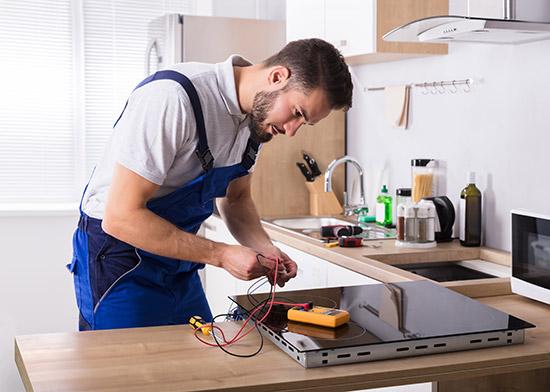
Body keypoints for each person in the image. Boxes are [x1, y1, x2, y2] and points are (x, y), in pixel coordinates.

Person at [67, 38, 353, 331]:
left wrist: (266, 250)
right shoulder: (173, 97)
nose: (292, 131)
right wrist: (221, 254)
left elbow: (237, 200)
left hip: (178, 264)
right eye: (297, 114)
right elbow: (121, 218)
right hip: (120, 260)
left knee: (200, 362)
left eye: (304, 123)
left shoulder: (255, 122)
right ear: (278, 77)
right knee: (127, 372)